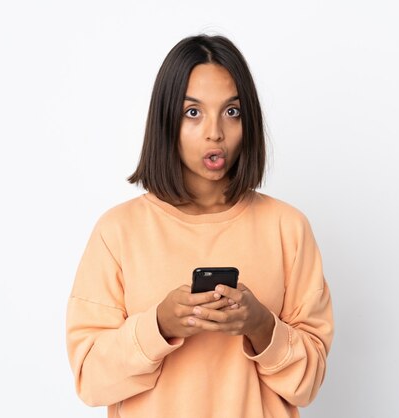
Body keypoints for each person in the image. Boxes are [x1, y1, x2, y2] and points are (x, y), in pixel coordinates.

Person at [66, 34, 334, 418]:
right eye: (193, 112)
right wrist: (158, 326)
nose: (215, 133)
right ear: (165, 120)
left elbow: (307, 384)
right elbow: (90, 380)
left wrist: (260, 325)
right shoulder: (118, 232)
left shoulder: (287, 228)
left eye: (232, 112)